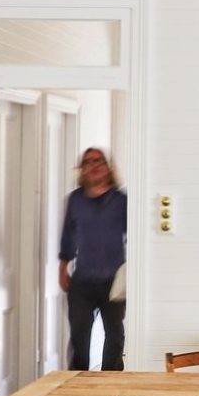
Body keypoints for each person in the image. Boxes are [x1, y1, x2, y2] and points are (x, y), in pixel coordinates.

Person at [58, 147, 127, 371]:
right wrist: (63, 268)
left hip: (113, 281)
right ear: (82, 169)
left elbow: (135, 236)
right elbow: (68, 236)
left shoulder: (121, 201)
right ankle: (77, 383)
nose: (94, 165)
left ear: (108, 167)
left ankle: (111, 383)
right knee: (79, 338)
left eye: (99, 161)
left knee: (114, 335)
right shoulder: (75, 200)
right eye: (88, 162)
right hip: (83, 281)